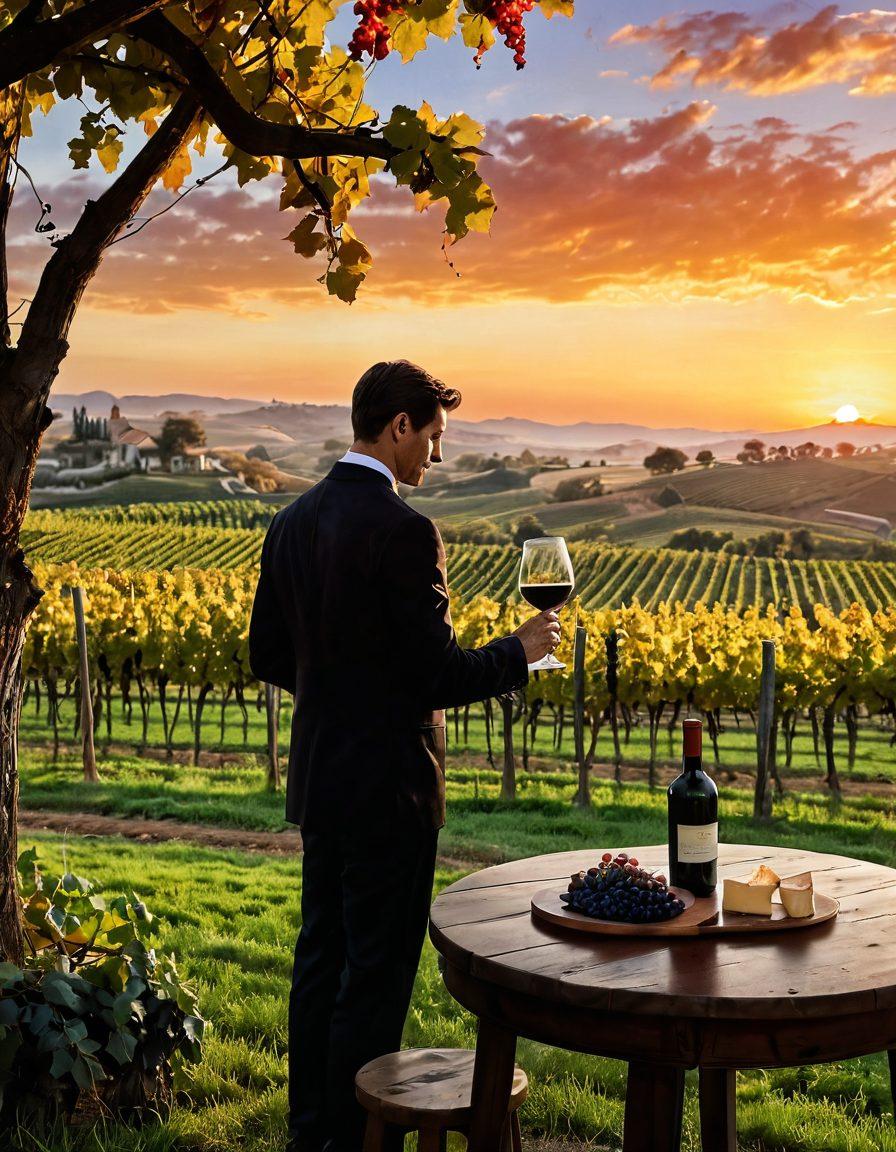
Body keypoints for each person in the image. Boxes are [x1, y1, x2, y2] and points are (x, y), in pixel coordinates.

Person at [248, 360, 561, 1152]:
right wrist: (519, 653)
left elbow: (267, 655)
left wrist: (340, 689)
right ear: (399, 428)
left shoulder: (291, 520)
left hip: (321, 777)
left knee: (320, 960)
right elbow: (439, 675)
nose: (438, 457)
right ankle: (357, 1139)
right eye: (434, 438)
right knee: (376, 973)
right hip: (390, 789)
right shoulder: (404, 530)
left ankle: (309, 1130)